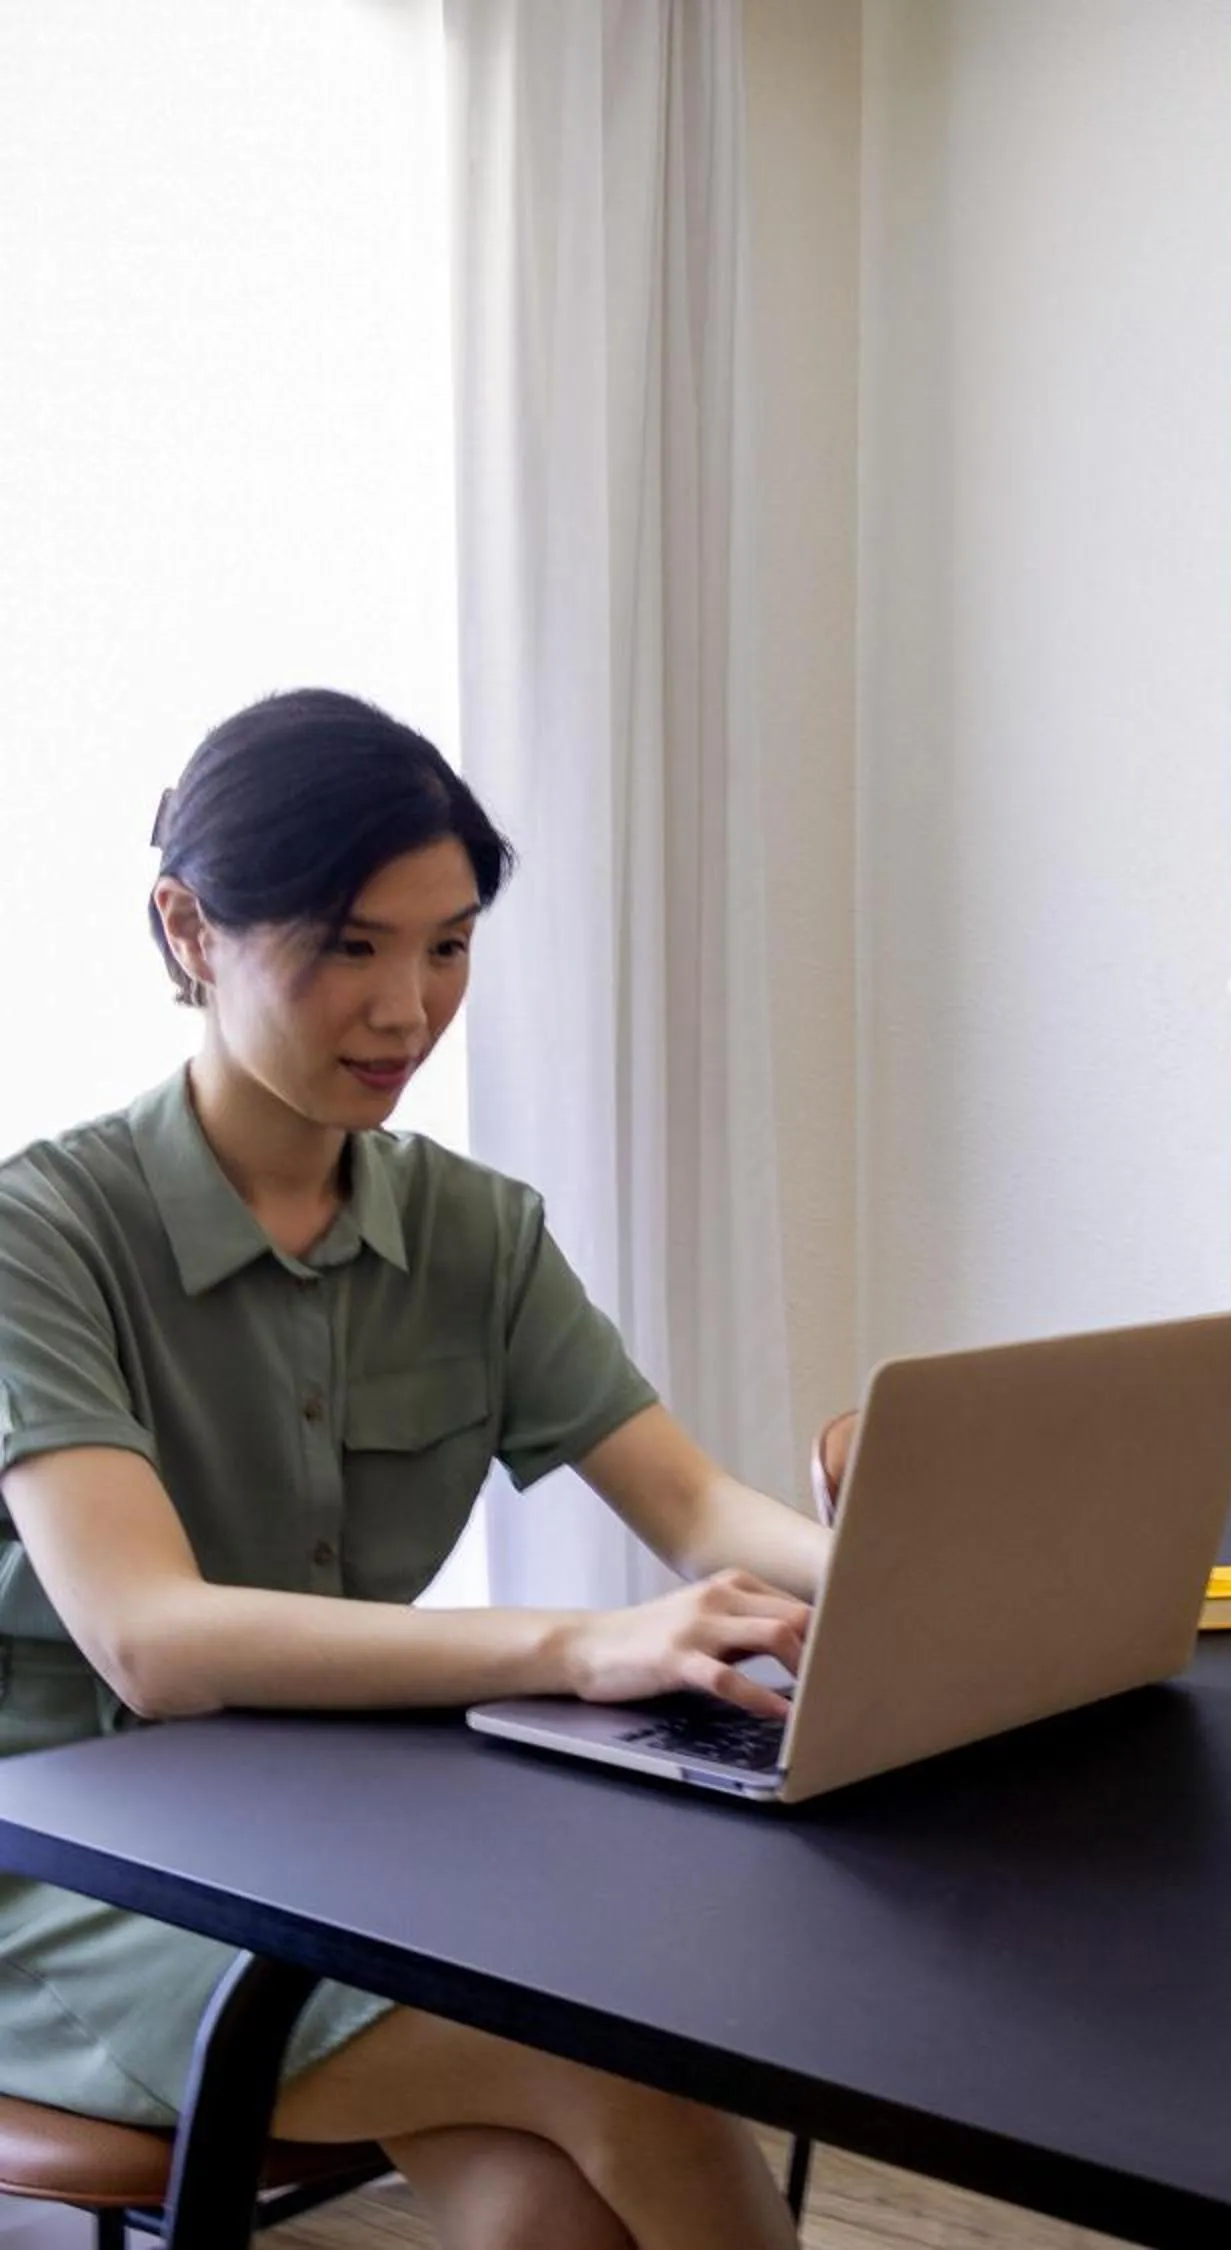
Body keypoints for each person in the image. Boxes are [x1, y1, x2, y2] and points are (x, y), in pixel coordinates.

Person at [0, 690, 826, 2249]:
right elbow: (152, 1640)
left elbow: (694, 1505)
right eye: (349, 945)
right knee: (625, 2058)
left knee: (544, 2214)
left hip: (340, 1838)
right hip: (64, 1874)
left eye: (447, 946)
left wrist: (927, 1593)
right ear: (188, 929)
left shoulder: (473, 1231)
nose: (407, 1007)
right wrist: (583, 1641)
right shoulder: (39, 1234)